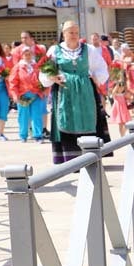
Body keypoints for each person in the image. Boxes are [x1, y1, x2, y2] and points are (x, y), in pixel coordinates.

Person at [39, 21, 110, 165]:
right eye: (70, 32)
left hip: (86, 92)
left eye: (76, 32)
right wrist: (52, 77)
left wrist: (96, 77)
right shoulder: (54, 50)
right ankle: (70, 160)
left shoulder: (88, 49)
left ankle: (90, 157)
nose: (74, 35)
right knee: (66, 119)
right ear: (63, 34)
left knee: (88, 118)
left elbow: (101, 67)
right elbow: (44, 71)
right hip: (64, 92)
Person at [8, 45, 46, 143]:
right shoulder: (18, 67)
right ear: (22, 55)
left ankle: (38, 136)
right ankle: (23, 135)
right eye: (26, 54)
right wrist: (15, 95)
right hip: (23, 95)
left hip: (36, 94)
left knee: (36, 115)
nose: (28, 56)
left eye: (29, 54)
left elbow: (43, 79)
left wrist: (44, 90)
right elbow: (13, 82)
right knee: (23, 116)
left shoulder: (36, 66)